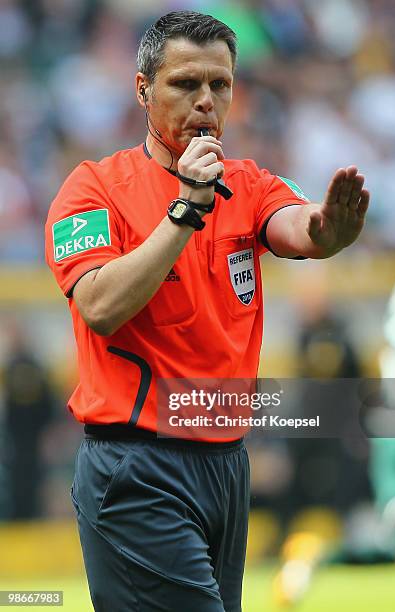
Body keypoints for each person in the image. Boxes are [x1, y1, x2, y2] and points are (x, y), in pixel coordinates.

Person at [44, 11, 370, 612]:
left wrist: (329, 231)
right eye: (184, 84)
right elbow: (98, 305)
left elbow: (298, 226)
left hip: (225, 464)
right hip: (136, 465)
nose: (205, 102)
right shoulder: (93, 189)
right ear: (143, 89)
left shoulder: (246, 184)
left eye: (220, 85)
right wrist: (184, 211)